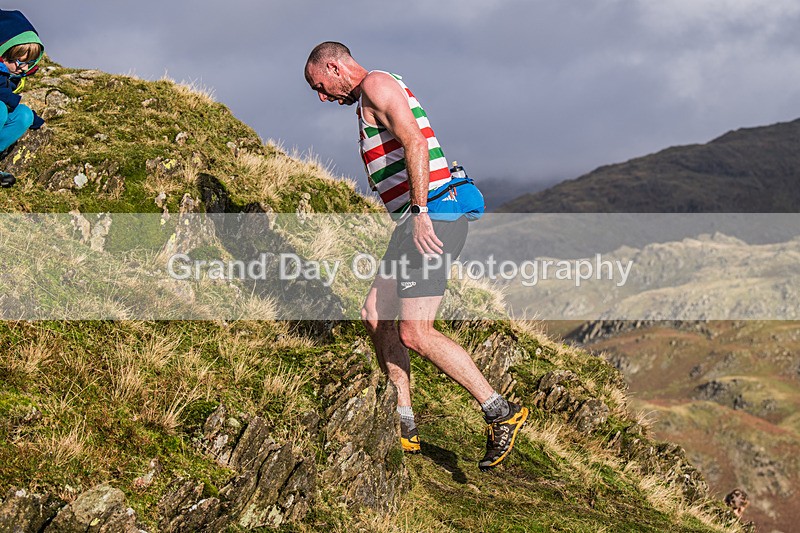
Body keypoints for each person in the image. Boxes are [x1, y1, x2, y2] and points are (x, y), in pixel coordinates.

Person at [305, 41, 528, 470]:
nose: (322, 97)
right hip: (416, 221)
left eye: (321, 85)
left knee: (416, 332)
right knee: (375, 313)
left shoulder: (375, 85)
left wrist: (422, 213)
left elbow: (416, 143)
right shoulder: (371, 94)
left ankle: (500, 411)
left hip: (432, 218)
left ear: (334, 66)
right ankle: (404, 422)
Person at [0, 9, 45, 188]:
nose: (24, 68)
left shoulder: (14, 75)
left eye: (30, 62)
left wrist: (32, 117)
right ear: (3, 55)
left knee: (23, 115)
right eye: (19, 62)